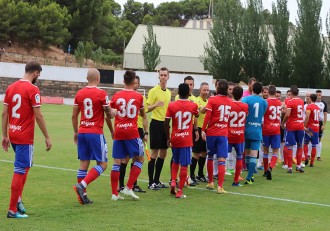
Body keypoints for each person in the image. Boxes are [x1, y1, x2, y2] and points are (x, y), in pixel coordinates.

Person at [2, 61, 52, 218]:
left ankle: (18, 200)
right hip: (24, 136)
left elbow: (4, 114)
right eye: (39, 75)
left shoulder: (11, 87)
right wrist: (47, 137)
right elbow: (38, 115)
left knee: (25, 166)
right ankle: (12, 210)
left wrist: (4, 135)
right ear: (36, 73)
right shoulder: (33, 89)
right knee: (20, 169)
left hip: (13, 133)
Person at [72, 68, 117, 205]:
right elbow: (108, 114)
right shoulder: (101, 94)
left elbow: (74, 116)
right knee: (103, 164)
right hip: (95, 132)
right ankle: (82, 185)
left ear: (87, 79)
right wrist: (114, 111)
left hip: (82, 132)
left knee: (83, 164)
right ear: (98, 79)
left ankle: (83, 197)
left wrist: (75, 132)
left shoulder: (79, 94)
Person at [110, 70, 147, 200]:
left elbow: (109, 114)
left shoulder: (116, 95)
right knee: (140, 159)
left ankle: (114, 193)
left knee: (117, 162)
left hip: (119, 131)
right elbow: (143, 114)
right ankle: (128, 187)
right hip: (132, 132)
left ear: (123, 81)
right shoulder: (138, 97)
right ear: (133, 81)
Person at [165, 83, 199, 198]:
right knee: (184, 165)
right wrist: (196, 131)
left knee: (175, 161)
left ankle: (173, 181)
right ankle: (179, 191)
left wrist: (168, 138)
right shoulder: (193, 106)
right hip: (186, 139)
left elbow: (166, 123)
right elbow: (196, 117)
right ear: (189, 93)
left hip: (175, 138)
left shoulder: (172, 105)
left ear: (178, 92)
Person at [118, 76, 148, 193]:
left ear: (138, 85)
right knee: (125, 159)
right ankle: (121, 185)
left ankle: (133, 185)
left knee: (137, 159)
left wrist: (145, 132)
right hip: (129, 131)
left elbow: (144, 115)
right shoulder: (125, 98)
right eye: (133, 82)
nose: (134, 85)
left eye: (136, 83)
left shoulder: (141, 98)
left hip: (138, 131)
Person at [202, 79, 232, 194]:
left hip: (212, 133)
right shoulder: (230, 102)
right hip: (223, 134)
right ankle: (220, 187)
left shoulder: (212, 99)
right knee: (222, 160)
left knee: (210, 156)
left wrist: (204, 129)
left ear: (218, 88)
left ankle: (210, 182)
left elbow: (207, 115)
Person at [147, 67, 171, 190]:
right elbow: (147, 108)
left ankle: (157, 180)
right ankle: (150, 182)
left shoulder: (168, 92)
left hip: (165, 125)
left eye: (165, 75)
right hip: (156, 124)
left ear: (168, 77)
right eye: (161, 75)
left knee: (164, 153)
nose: (163, 77)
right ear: (159, 76)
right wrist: (156, 105)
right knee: (154, 153)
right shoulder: (153, 91)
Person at [242, 82, 267, 184]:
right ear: (261, 91)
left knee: (247, 153)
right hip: (257, 130)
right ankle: (249, 176)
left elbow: (243, 112)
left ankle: (250, 175)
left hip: (246, 129)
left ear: (252, 89)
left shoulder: (246, 99)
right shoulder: (264, 102)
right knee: (253, 154)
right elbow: (262, 114)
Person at [228, 85, 248, 186]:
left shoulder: (229, 104)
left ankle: (217, 177)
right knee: (239, 157)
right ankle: (236, 181)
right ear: (241, 95)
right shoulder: (245, 106)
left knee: (221, 156)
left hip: (228, 134)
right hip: (240, 135)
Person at [281, 85, 305, 173]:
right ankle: (298, 165)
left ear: (291, 93)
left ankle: (290, 167)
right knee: (299, 145)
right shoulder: (302, 101)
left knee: (290, 146)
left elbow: (287, 114)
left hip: (291, 126)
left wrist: (283, 122)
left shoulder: (290, 102)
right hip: (300, 125)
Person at [190, 82, 209, 184]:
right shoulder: (197, 101)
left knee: (204, 153)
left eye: (207, 90)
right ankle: (192, 175)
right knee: (196, 153)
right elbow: (202, 111)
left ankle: (200, 174)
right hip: (197, 129)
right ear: (200, 90)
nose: (206, 92)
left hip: (206, 129)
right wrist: (211, 104)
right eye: (204, 90)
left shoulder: (209, 101)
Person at [262, 85, 282, 180]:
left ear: (268, 92)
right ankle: (270, 167)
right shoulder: (279, 103)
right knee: (275, 151)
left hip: (266, 129)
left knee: (265, 151)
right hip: (276, 129)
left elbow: (262, 115)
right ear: (275, 93)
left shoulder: (265, 102)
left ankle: (266, 170)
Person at [304, 94, 320, 167]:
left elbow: (307, 116)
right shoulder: (317, 107)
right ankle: (312, 162)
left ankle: (306, 157)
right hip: (316, 127)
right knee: (314, 145)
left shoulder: (309, 106)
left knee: (305, 143)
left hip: (310, 128)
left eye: (308, 98)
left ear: (310, 99)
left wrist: (304, 125)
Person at [315, 89, 327, 161]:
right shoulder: (312, 102)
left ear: (321, 95)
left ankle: (318, 156)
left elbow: (325, 115)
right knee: (311, 139)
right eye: (317, 95)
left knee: (319, 139)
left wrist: (324, 125)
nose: (318, 96)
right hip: (313, 122)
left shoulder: (323, 104)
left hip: (320, 123)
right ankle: (309, 155)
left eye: (319, 95)